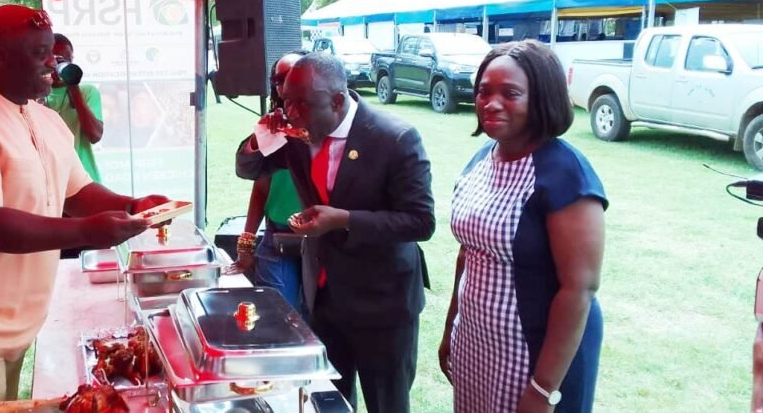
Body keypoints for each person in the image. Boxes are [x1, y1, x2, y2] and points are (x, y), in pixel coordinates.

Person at [0, 5, 168, 412]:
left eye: (54, 54)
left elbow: (77, 193)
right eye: (40, 53)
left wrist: (132, 205)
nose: (52, 64)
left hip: (17, 320)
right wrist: (86, 233)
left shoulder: (45, 119)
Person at [235, 52, 436, 412]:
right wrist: (262, 134)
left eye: (303, 104)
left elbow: (420, 221)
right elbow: (248, 168)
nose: (292, 113)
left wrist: (343, 218)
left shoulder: (395, 138)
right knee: (328, 402)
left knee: (386, 404)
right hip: (326, 298)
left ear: (338, 100)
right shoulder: (297, 135)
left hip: (382, 305)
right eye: (286, 102)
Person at [438, 40, 606, 413]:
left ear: (542, 98)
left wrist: (543, 390)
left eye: (510, 93)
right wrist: (453, 327)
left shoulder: (565, 174)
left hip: (538, 353)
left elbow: (579, 289)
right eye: (484, 91)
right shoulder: (482, 159)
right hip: (478, 341)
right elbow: (469, 253)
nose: (491, 103)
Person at [230, 51, 307, 311]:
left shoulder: (332, 124)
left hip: (324, 242)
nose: (286, 84)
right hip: (279, 239)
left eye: (294, 75)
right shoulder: (276, 126)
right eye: (279, 78)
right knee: (280, 319)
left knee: (318, 326)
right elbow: (260, 184)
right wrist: (247, 240)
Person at [46, 33, 104, 183]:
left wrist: (73, 86)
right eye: (55, 59)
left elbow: (95, 135)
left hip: (86, 182)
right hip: (53, 183)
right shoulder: (35, 95)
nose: (59, 64)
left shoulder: (87, 92)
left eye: (66, 60)